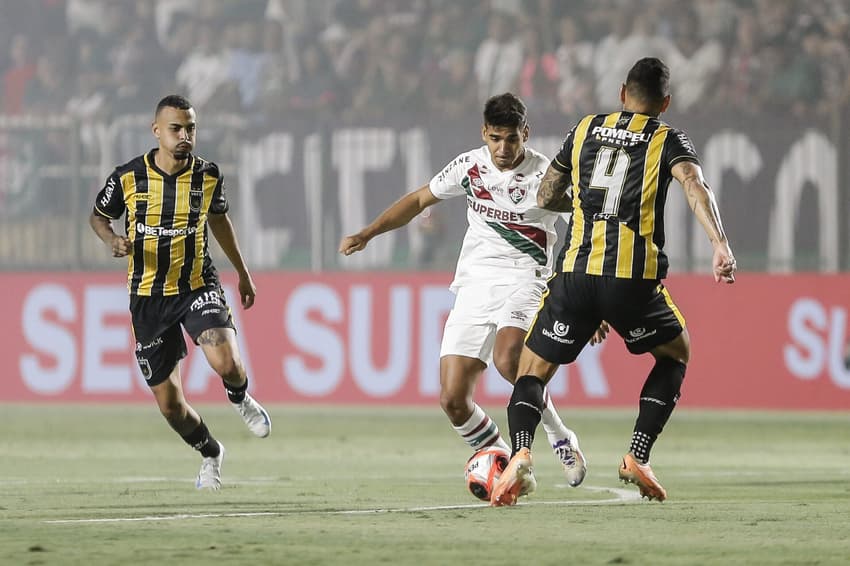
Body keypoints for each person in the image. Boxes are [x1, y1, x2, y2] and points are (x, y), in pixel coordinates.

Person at [490, 57, 737, 506]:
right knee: (675, 354)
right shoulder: (667, 138)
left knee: (531, 372)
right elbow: (695, 185)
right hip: (631, 281)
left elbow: (546, 194)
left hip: (577, 275)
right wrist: (719, 244)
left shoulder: (585, 127)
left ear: (622, 93)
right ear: (665, 101)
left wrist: (586, 205)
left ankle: (521, 454)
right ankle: (637, 455)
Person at [339, 93, 588, 492]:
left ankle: (560, 436)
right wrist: (368, 233)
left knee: (510, 360)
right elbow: (420, 199)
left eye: (511, 139)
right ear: (484, 134)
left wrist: (583, 293)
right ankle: (503, 460)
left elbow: (588, 225)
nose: (503, 149)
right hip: (474, 284)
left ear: (526, 133)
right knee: (453, 399)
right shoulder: (470, 166)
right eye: (495, 139)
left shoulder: (547, 176)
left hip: (526, 276)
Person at [89, 94, 272, 490]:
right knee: (171, 406)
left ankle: (240, 398)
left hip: (196, 285)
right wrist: (110, 239)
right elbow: (99, 216)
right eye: (176, 128)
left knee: (227, 363)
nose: (185, 135)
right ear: (157, 131)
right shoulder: (127, 178)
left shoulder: (208, 175)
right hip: (148, 300)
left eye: (190, 128)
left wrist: (242, 273)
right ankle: (211, 453)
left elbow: (220, 222)